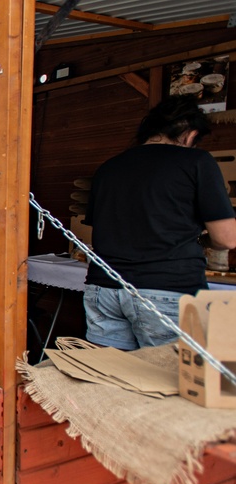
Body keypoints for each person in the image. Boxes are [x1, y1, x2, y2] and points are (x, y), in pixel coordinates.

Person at [84, 95, 236, 350]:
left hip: (104, 289)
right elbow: (227, 238)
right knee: (168, 383)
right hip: (167, 291)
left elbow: (102, 227)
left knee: (110, 376)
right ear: (190, 134)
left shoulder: (108, 168)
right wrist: (203, 239)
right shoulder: (196, 162)